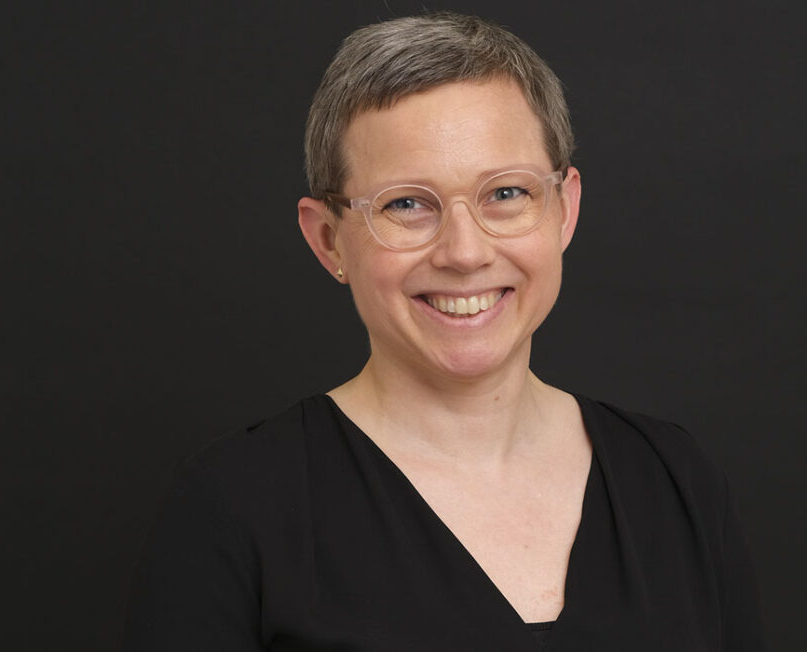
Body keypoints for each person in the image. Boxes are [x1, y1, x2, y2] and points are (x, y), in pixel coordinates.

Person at [123, 12, 765, 651]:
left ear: (564, 210)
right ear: (328, 240)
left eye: (506, 194)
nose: (464, 252)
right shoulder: (232, 510)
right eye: (406, 204)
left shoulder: (676, 481)